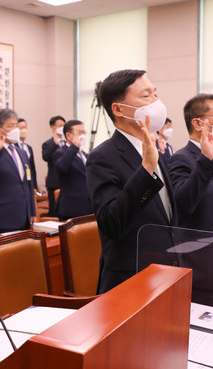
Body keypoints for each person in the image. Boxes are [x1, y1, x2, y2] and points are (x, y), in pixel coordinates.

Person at [85, 69, 176, 294]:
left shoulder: (156, 149)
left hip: (167, 270)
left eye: (155, 94)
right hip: (132, 277)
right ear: (118, 109)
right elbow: (111, 223)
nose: (155, 101)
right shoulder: (102, 157)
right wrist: (146, 170)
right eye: (146, 97)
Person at [168, 93, 213, 305]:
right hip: (201, 263)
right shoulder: (182, 158)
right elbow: (183, 203)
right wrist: (206, 160)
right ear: (198, 123)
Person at [0, 108, 36, 234]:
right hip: (3, 218)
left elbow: (28, 183)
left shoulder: (22, 152)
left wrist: (32, 211)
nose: (16, 129)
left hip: (24, 217)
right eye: (11, 125)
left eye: (16, 125)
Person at [53, 119, 92, 220]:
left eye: (84, 132)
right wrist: (74, 146)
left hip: (88, 207)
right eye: (79, 133)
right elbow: (62, 167)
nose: (83, 135)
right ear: (69, 136)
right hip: (71, 207)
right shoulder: (61, 152)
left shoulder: (84, 154)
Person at [42, 115, 65, 216]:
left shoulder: (66, 143)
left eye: (64, 125)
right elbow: (46, 157)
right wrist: (55, 144)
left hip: (66, 182)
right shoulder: (47, 144)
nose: (62, 127)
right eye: (60, 125)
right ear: (52, 127)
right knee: (54, 211)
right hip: (54, 182)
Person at [17, 118, 38, 191]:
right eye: (21, 128)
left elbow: (32, 168)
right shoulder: (13, 146)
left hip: (29, 181)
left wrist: (35, 186)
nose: (24, 130)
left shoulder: (29, 147)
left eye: (25, 127)